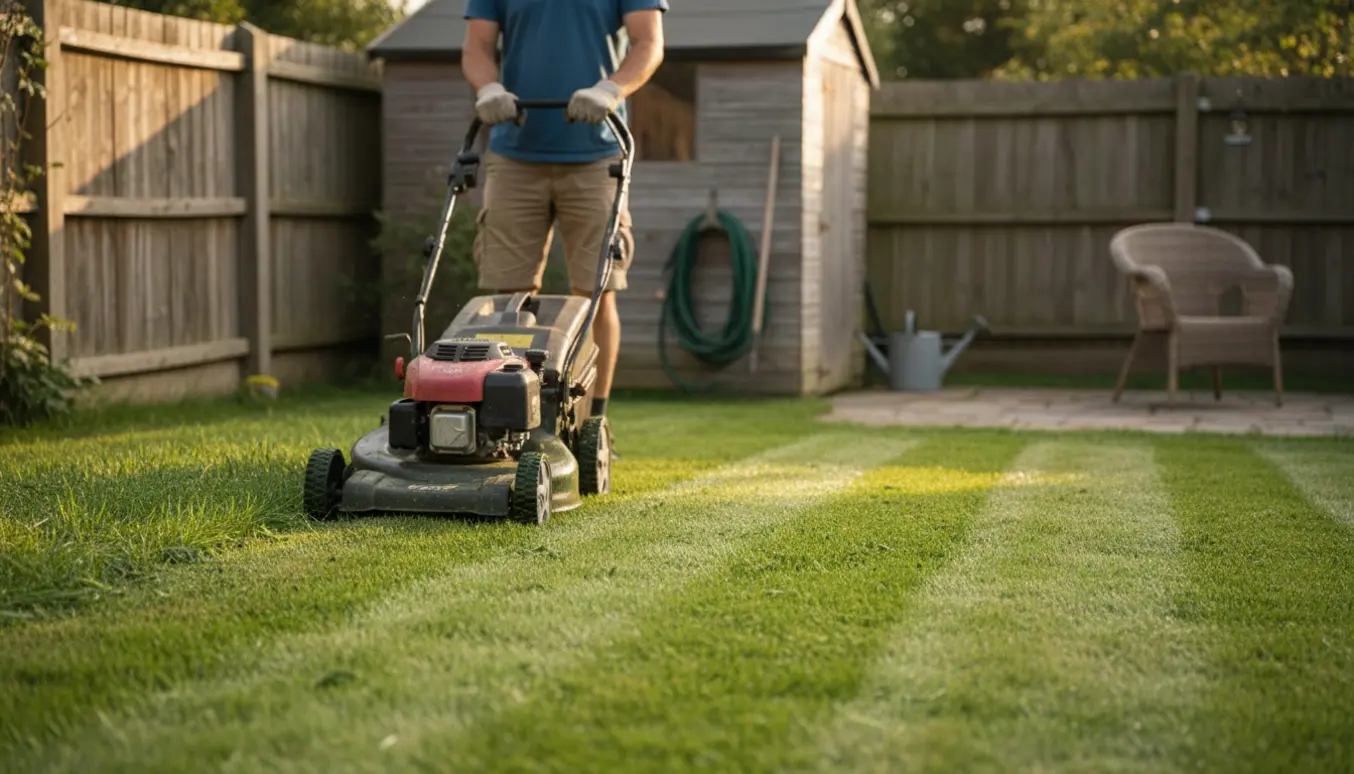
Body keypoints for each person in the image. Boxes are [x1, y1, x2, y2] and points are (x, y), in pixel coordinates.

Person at [461, 0, 667, 419]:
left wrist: (610, 88)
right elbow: (477, 46)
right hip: (514, 153)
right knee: (507, 300)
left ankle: (593, 422)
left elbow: (648, 43)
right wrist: (489, 88)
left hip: (596, 154)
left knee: (596, 293)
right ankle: (512, 417)